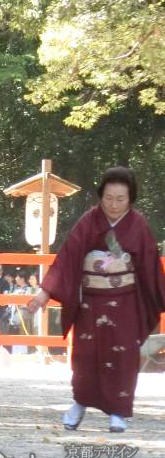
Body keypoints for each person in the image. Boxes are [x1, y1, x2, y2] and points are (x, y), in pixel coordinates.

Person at [27, 167, 165, 433]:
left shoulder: (139, 226)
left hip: (126, 302)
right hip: (91, 301)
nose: (113, 205)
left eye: (120, 199)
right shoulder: (89, 221)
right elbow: (67, 258)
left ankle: (118, 412)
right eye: (108, 198)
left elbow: (150, 269)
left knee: (123, 356)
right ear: (101, 196)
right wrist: (44, 293)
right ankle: (79, 403)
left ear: (131, 199)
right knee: (85, 355)